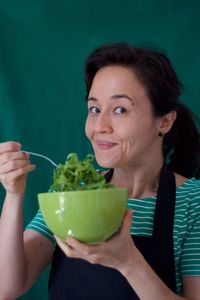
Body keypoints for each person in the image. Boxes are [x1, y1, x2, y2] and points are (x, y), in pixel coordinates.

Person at [0, 43, 200, 300]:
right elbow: (7, 286)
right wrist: (14, 195)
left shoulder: (193, 202)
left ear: (164, 122)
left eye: (120, 110)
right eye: (94, 109)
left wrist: (128, 261)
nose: (99, 126)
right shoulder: (70, 192)